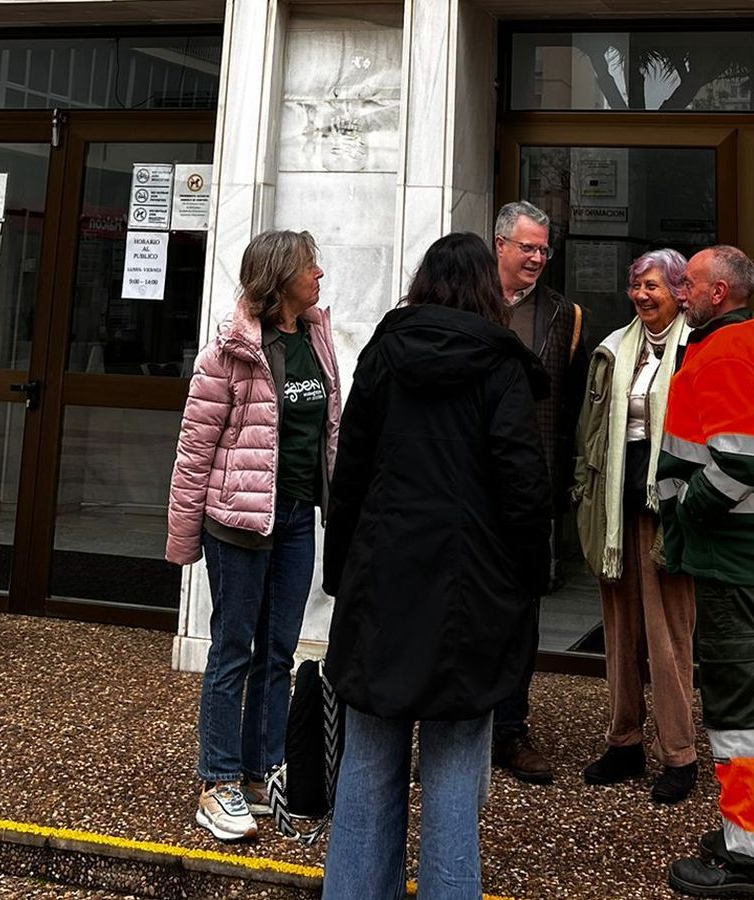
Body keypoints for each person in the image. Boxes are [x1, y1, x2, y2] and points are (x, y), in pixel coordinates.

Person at [321, 233, 551, 899]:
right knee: (453, 776)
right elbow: (522, 484)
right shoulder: (501, 365)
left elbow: (351, 472)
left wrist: (343, 575)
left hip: (383, 582)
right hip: (470, 588)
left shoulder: (385, 354)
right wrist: (528, 579)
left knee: (367, 765)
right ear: (487, 287)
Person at [165, 230, 342, 843]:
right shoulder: (229, 351)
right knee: (232, 648)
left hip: (296, 516)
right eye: (307, 266)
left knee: (279, 650)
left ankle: (263, 769)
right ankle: (217, 783)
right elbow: (195, 450)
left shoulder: (315, 337)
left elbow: (328, 430)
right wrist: (185, 537)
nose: (319, 273)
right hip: (237, 521)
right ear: (278, 277)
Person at [657, 246, 754, 897]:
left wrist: (683, 514)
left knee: (737, 705)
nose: (677, 289)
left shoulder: (722, 351)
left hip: (733, 558)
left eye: (687, 281)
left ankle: (751, 857)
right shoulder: (751, 343)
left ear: (718, 292)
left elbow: (736, 465)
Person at [572, 248, 699, 804]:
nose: (642, 296)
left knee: (669, 636)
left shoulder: (696, 350)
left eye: (653, 287)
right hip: (615, 508)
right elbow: (590, 430)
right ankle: (624, 742)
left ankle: (680, 754)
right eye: (636, 287)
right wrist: (584, 494)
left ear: (679, 291)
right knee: (620, 632)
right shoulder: (612, 350)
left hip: (666, 506)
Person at [490, 199, 589, 784]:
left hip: (532, 492)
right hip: (468, 488)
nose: (535, 258)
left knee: (522, 615)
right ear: (499, 245)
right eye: (526, 247)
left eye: (543, 249)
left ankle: (511, 729)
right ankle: (458, 725)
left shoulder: (566, 316)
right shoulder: (463, 302)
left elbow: (573, 407)